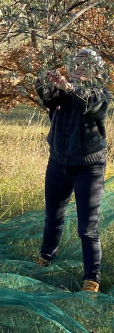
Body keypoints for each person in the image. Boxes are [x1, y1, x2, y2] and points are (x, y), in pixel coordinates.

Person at [35, 48, 110, 292]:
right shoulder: (63, 92)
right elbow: (47, 98)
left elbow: (93, 104)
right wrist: (43, 79)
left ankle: (91, 280)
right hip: (58, 163)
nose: (79, 67)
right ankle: (45, 258)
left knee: (87, 229)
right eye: (76, 63)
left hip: (89, 167)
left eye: (85, 64)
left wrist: (69, 88)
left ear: (95, 69)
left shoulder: (101, 92)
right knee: (53, 217)